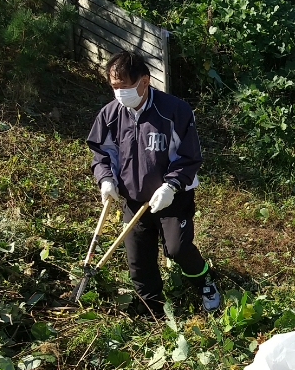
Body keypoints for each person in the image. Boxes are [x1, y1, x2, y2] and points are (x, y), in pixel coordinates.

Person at [87, 51, 221, 314]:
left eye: (124, 87)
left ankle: (205, 281)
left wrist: (171, 185)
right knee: (138, 258)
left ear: (144, 81)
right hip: (134, 198)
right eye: (115, 87)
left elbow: (189, 156)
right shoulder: (111, 114)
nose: (119, 93)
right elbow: (103, 153)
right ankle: (151, 306)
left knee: (177, 249)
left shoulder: (175, 111)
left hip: (172, 197)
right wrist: (105, 179)